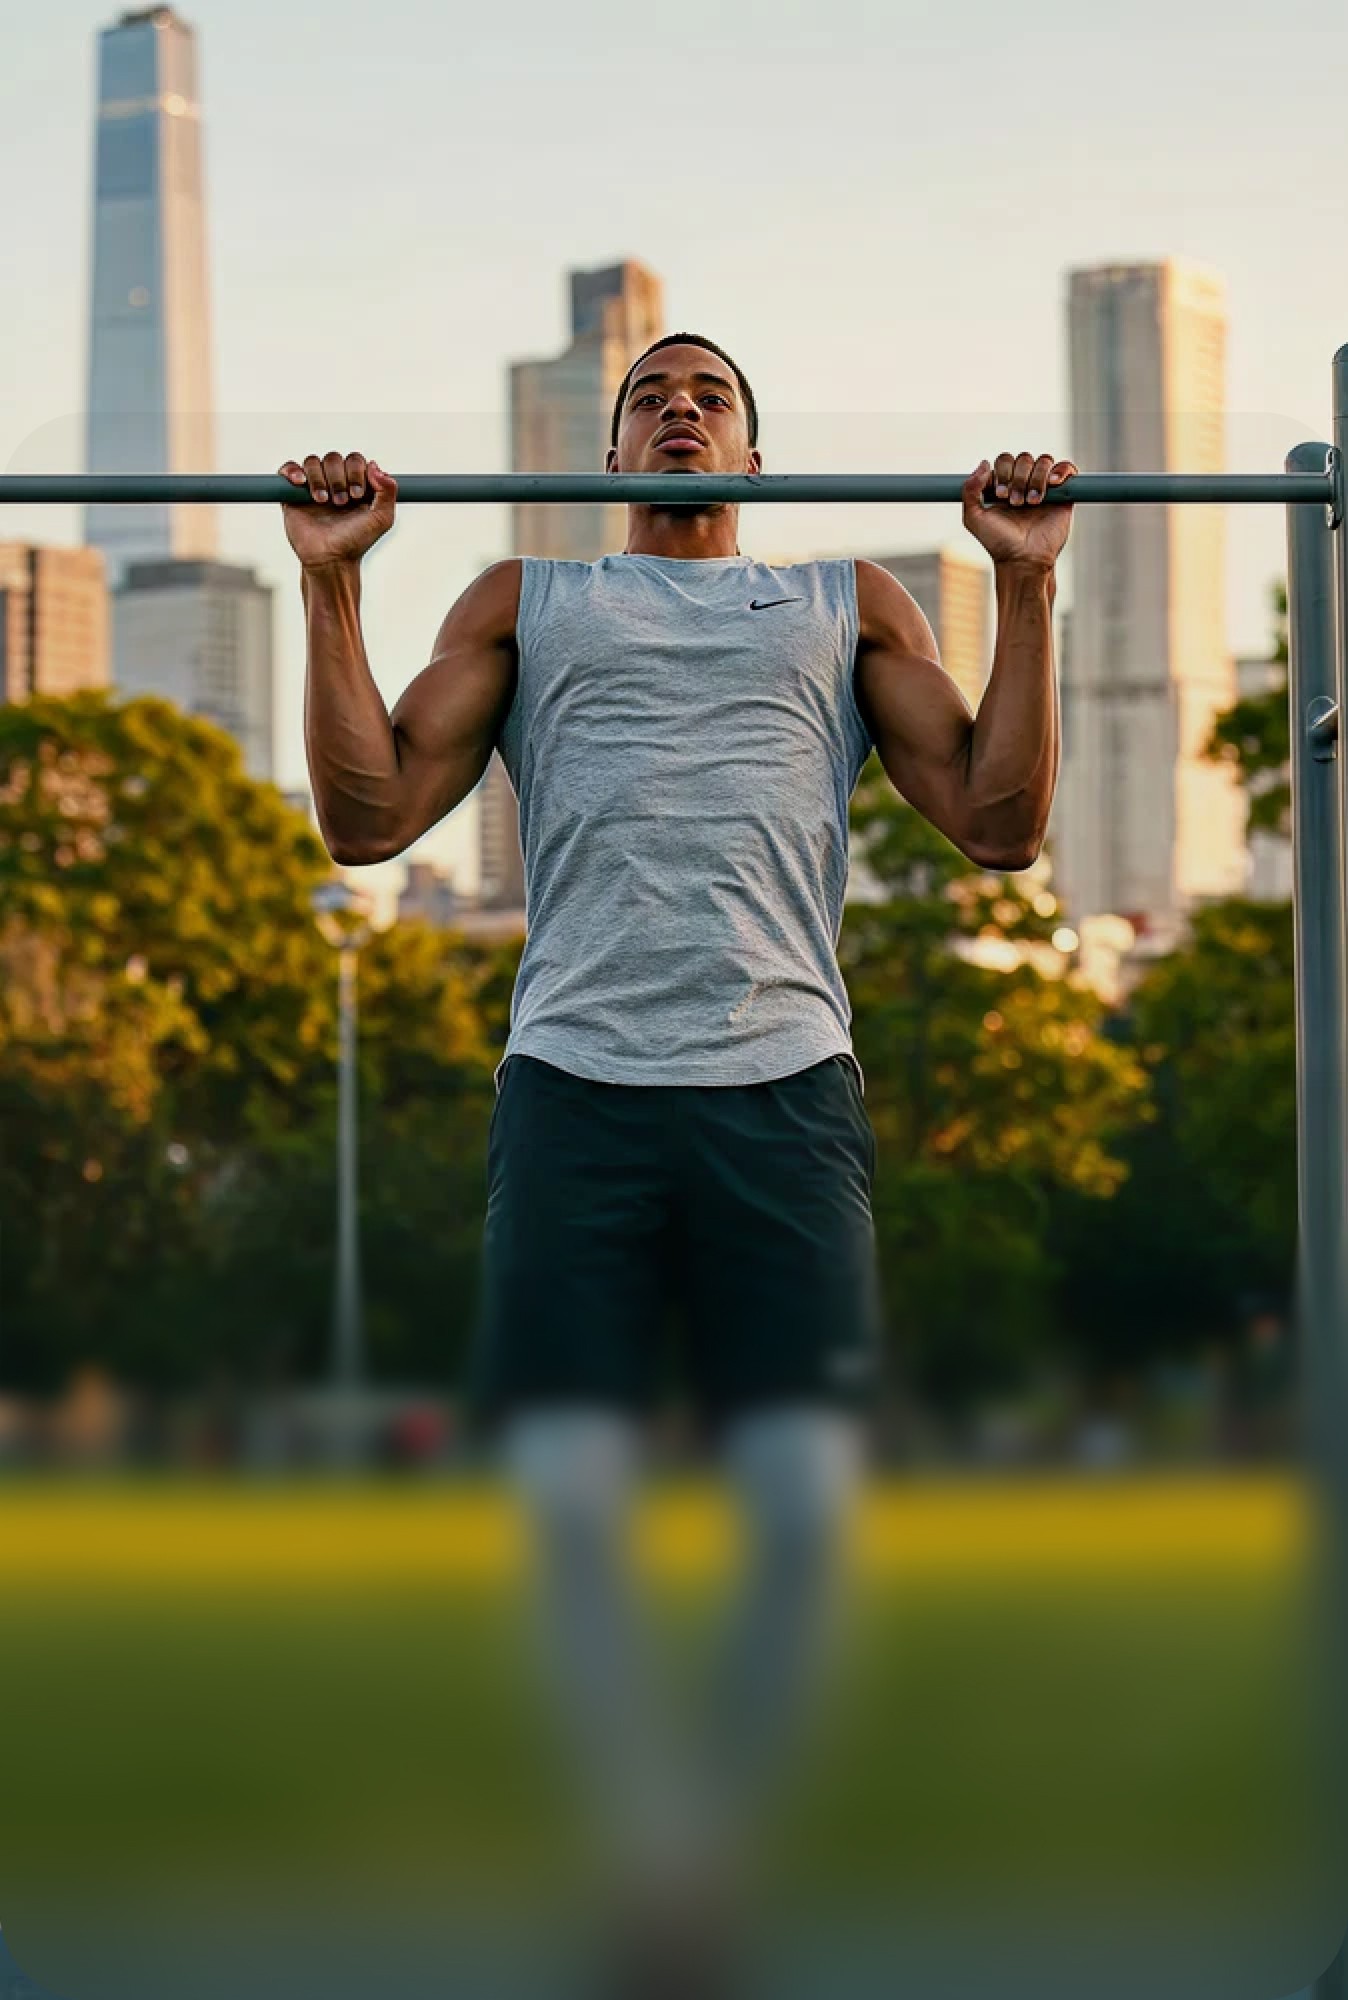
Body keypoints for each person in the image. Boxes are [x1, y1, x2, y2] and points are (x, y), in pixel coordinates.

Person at [281, 336, 1076, 1989]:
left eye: (709, 393)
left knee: (800, 1513)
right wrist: (332, 592)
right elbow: (366, 821)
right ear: (614, 455)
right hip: (577, 1089)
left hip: (782, 1094)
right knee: (569, 1504)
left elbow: (1000, 825)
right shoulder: (527, 599)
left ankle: (706, 1840)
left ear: (756, 462)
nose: (681, 407)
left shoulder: (842, 599)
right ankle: (665, 1854)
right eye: (652, 396)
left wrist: (1027, 588)